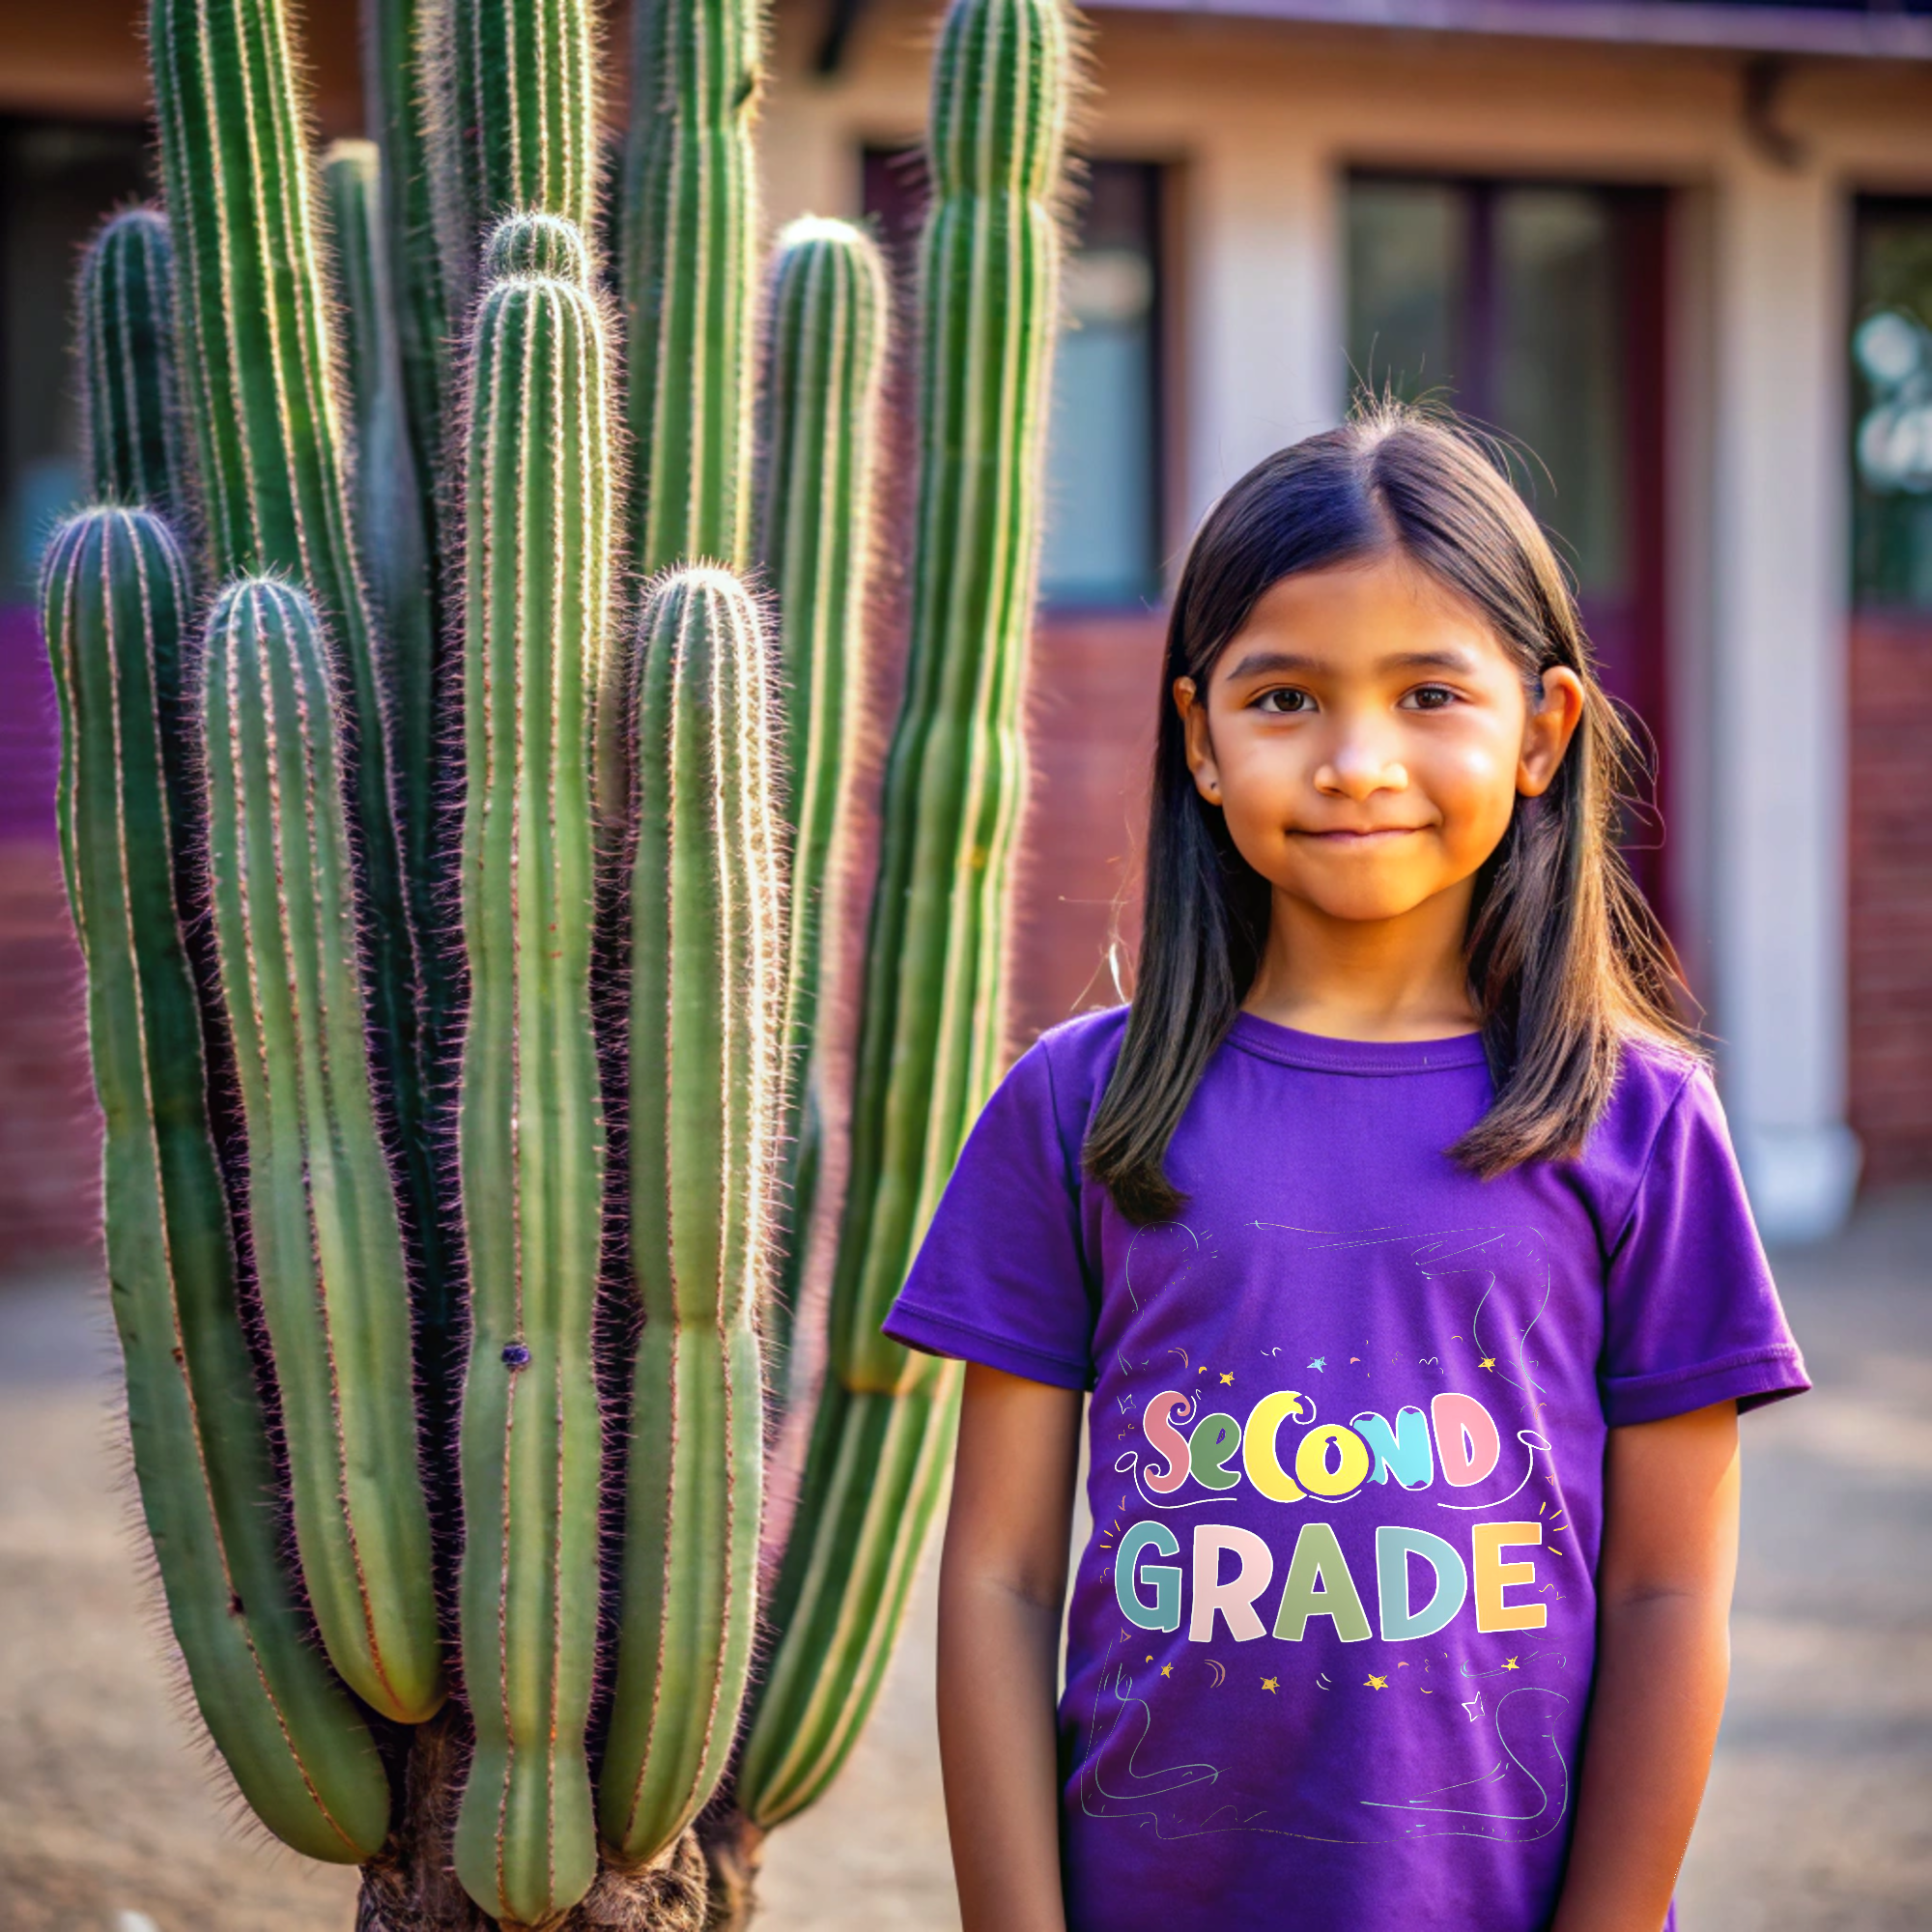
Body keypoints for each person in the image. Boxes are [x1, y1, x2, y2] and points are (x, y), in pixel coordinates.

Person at [881, 402, 1810, 1932]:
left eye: (1430, 692)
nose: (1358, 760)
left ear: (1543, 731)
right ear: (1200, 738)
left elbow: (1665, 1595)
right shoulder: (1075, 1109)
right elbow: (994, 1581)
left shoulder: (1640, 1123)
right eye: (1288, 699)